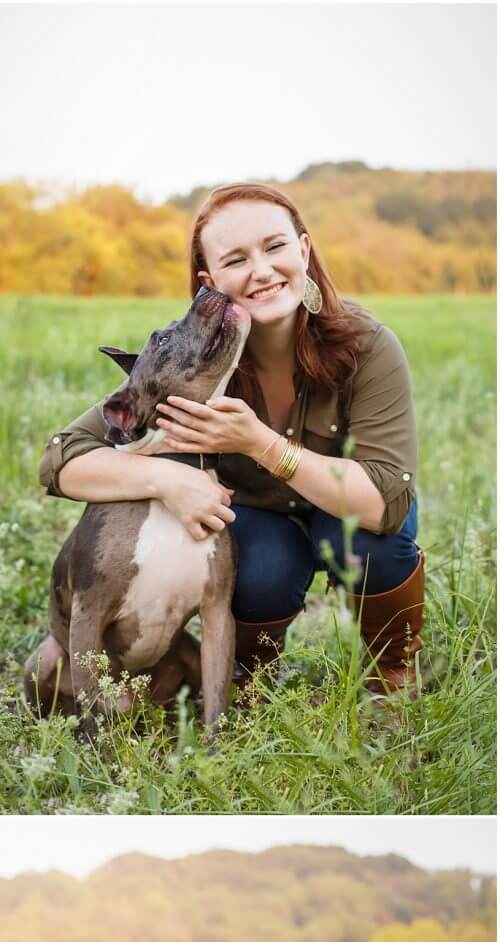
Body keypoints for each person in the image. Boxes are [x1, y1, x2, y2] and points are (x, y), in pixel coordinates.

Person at [41, 182, 423, 695]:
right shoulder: (196, 361)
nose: (261, 271)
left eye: (275, 247)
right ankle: (251, 678)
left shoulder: (367, 345)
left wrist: (258, 442)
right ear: (210, 279)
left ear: (304, 250)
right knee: (258, 564)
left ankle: (392, 677)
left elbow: (382, 503)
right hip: (262, 524)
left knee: (370, 541)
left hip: (347, 508)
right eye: (236, 259)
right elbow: (61, 457)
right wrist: (165, 478)